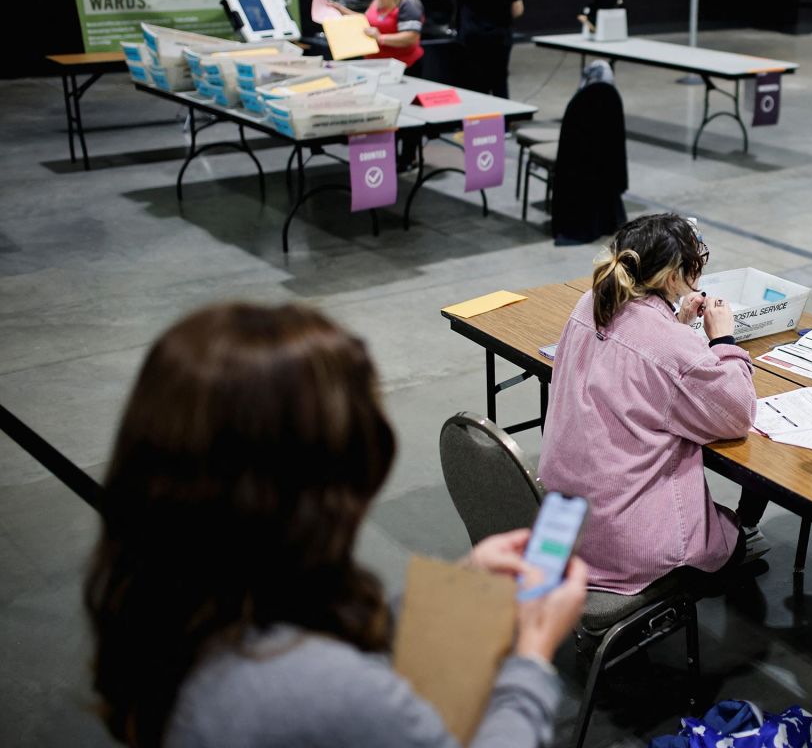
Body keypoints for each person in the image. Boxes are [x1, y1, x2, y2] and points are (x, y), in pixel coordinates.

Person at [83, 303, 586, 748]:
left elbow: (306, 635)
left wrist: (453, 594)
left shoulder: (172, 611)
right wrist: (532, 659)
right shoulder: (326, 694)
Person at [538, 214, 768, 596]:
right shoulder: (670, 345)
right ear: (673, 277)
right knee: (735, 540)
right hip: (627, 543)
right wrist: (723, 339)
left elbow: (635, 356)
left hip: (567, 524)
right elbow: (738, 414)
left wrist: (676, 321)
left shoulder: (589, 302)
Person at [428, 0, 524, 98]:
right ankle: (506, 119)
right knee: (499, 80)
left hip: (474, 39)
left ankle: (478, 119)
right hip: (501, 39)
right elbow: (518, 9)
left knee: (475, 82)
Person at [328, 0, 425, 76]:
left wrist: (380, 38)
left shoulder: (408, 2)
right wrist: (342, 11)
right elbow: (366, 21)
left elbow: (411, 37)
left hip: (402, 67)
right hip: (376, 65)